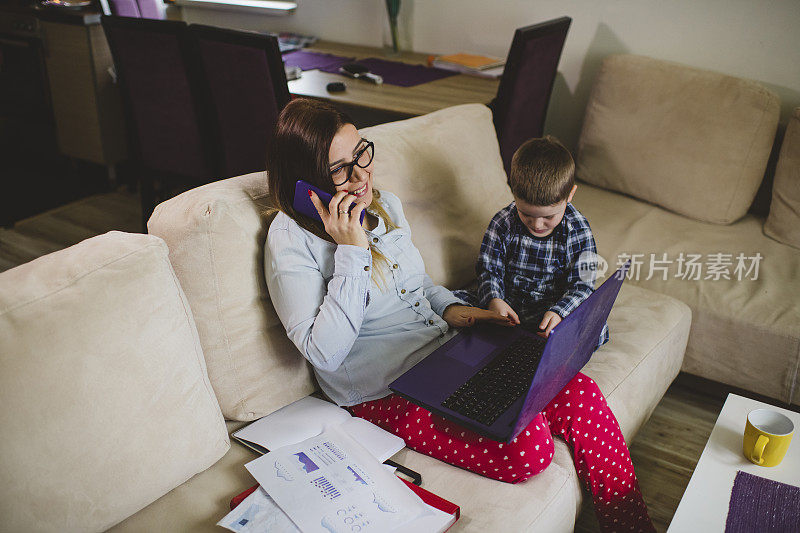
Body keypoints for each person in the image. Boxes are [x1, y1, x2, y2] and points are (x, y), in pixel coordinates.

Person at [264, 99, 654, 532]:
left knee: (580, 394)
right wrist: (351, 250)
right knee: (530, 450)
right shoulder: (290, 242)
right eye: (340, 168)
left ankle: (632, 528)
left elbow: (422, 288)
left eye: (362, 154)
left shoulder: (384, 205)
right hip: (386, 393)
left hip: (448, 354)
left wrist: (468, 313)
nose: (361, 175)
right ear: (306, 181)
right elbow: (325, 353)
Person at [455, 135, 610, 345]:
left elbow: (582, 284)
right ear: (513, 193)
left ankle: (545, 344)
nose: (537, 225)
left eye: (548, 217)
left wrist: (559, 313)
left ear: (570, 194)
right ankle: (497, 335)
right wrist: (494, 300)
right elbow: (489, 269)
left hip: (549, 313)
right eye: (526, 213)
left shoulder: (577, 229)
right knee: (450, 302)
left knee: (597, 327)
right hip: (507, 309)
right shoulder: (503, 223)